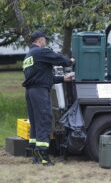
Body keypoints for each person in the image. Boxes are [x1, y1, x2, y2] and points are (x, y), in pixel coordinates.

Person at [22, 30, 75, 165]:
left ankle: (35, 155)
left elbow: (46, 78)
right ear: (40, 40)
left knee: (35, 123)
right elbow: (58, 58)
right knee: (44, 121)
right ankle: (44, 157)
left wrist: (63, 78)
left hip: (31, 92)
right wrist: (70, 61)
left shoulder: (29, 55)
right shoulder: (41, 51)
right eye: (44, 39)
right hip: (39, 92)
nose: (46, 42)